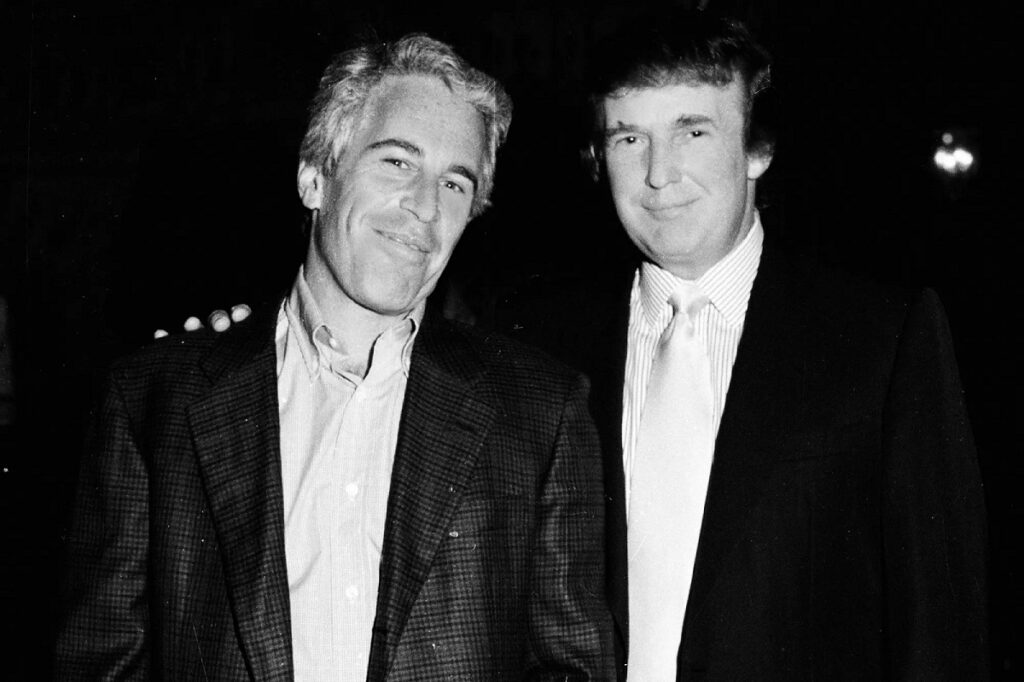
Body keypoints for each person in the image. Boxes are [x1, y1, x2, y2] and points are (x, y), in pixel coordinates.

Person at [192, 12, 989, 680]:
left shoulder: (878, 343)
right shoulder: (534, 348)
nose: (659, 173)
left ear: (758, 149)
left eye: (693, 130)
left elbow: (941, 631)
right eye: (628, 138)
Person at [56, 34, 614, 680]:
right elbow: (100, 664)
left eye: (454, 183)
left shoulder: (541, 411)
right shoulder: (152, 401)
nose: (425, 208)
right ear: (315, 177)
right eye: (397, 162)